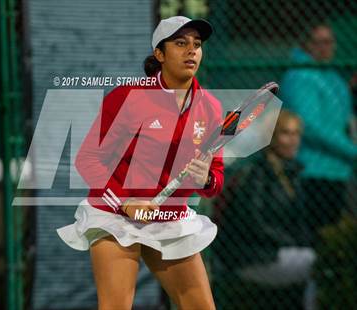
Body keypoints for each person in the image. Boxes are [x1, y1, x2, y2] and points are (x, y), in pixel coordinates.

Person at [56, 16, 224, 309]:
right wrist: (125, 202)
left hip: (170, 218)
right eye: (180, 43)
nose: (191, 51)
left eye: (197, 45)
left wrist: (205, 179)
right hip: (115, 216)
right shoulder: (127, 98)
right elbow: (88, 160)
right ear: (159, 54)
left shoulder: (209, 107)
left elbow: (215, 178)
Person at [213, 110, 315, 309]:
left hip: (278, 251)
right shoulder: (256, 173)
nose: (293, 140)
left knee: (323, 261)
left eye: (296, 134)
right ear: (272, 136)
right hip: (252, 257)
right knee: (318, 266)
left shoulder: (292, 173)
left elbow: (299, 223)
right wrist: (291, 243)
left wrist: (301, 243)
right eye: (286, 133)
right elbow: (253, 222)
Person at [280, 22, 357, 246]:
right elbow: (310, 126)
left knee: (334, 234)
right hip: (314, 170)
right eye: (319, 42)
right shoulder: (300, 76)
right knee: (318, 236)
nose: (326, 47)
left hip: (338, 170)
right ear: (306, 45)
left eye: (329, 42)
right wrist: (351, 151)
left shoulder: (331, 76)